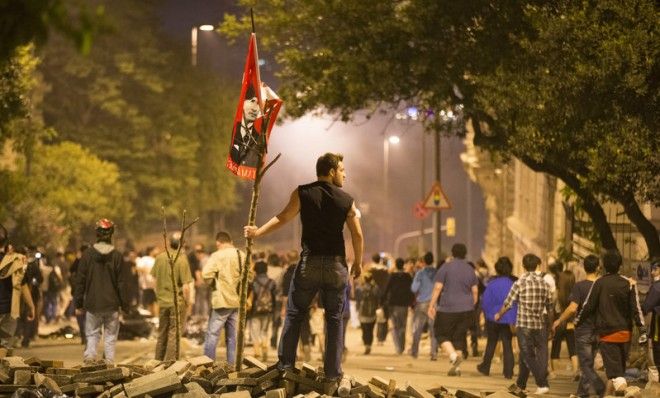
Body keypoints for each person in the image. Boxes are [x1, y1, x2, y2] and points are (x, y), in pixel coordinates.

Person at [244, 152, 363, 387]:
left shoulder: (303, 192)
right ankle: (332, 374)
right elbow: (357, 234)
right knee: (334, 319)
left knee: (295, 314)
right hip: (336, 265)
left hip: (309, 263)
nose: (345, 174)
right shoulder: (347, 200)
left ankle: (285, 366)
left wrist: (257, 232)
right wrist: (357, 262)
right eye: (342, 170)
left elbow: (283, 217)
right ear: (331, 171)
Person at [576, 251, 647, 394]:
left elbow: (588, 306)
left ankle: (630, 392)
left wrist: (578, 321)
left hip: (607, 335)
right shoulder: (629, 283)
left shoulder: (599, 283)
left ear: (603, 266)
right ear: (620, 266)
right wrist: (642, 329)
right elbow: (636, 309)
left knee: (614, 373)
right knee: (619, 369)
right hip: (625, 334)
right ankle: (613, 394)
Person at [495, 254, 553, 396]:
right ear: (537, 265)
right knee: (535, 354)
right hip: (539, 325)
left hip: (524, 325)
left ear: (523, 266)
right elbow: (550, 307)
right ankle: (521, 384)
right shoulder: (544, 283)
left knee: (527, 355)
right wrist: (551, 326)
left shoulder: (520, 283)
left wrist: (499, 314)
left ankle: (542, 383)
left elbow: (508, 303)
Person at [74, 219, 129, 364]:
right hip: (112, 305)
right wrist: (125, 305)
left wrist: (78, 303)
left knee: (92, 334)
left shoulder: (87, 255)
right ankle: (109, 362)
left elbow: (80, 281)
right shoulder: (117, 256)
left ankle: (90, 357)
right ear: (111, 234)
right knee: (110, 336)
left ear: (97, 233)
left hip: (92, 303)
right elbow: (122, 283)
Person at [552, 254, 605, 398]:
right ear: (598, 268)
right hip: (598, 330)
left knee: (585, 365)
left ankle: (600, 387)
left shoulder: (579, 286)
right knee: (588, 362)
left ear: (584, 268)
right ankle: (582, 393)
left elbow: (572, 308)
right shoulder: (602, 285)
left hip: (583, 330)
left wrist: (559, 320)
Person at [427, 243, 478, 376]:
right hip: (467, 309)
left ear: (452, 253)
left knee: (441, 334)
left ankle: (454, 357)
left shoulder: (446, 267)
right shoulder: (470, 269)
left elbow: (438, 287)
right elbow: (475, 291)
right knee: (459, 337)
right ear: (465, 253)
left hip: (448, 308)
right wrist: (471, 304)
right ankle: (456, 368)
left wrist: (431, 305)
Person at [202, 231, 245, 365]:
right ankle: (232, 366)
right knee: (233, 338)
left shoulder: (217, 255)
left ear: (218, 243)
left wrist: (215, 284)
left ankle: (207, 364)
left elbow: (206, 274)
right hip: (236, 301)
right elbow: (249, 276)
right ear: (230, 241)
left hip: (221, 301)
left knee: (213, 335)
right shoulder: (241, 254)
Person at [151, 232, 192, 361]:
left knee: (162, 332)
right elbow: (186, 286)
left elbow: (153, 280)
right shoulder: (181, 259)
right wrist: (187, 301)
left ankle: (157, 361)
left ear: (169, 243)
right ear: (182, 244)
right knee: (174, 333)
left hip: (162, 302)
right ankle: (169, 363)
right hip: (176, 302)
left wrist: (159, 295)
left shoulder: (160, 257)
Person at [477, 256, 517, 379]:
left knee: (492, 342)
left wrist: (488, 315)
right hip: (508, 318)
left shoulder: (491, 283)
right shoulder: (513, 283)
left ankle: (485, 367)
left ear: (497, 269)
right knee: (507, 343)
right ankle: (508, 371)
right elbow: (516, 302)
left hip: (493, 317)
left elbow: (485, 302)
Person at [0, 239, 36, 348]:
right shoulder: (15, 262)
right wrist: (31, 307)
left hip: (7, 309)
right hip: (8, 309)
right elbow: (23, 286)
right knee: (4, 344)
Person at [549, 262, 578, 379]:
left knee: (555, 347)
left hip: (559, 323)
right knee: (573, 348)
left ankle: (554, 373)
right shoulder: (576, 293)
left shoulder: (557, 293)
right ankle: (576, 371)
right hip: (571, 323)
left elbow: (553, 308)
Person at [410, 252, 438, 360]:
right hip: (434, 303)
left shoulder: (420, 273)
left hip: (422, 303)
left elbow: (414, 288)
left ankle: (415, 352)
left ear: (424, 261)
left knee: (418, 328)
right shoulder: (437, 273)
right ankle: (433, 353)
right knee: (433, 330)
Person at [383, 257, 414, 355]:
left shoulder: (392, 276)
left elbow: (386, 289)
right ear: (403, 265)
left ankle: (398, 347)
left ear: (396, 265)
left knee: (395, 326)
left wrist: (382, 301)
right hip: (404, 304)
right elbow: (411, 290)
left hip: (393, 304)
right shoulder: (408, 276)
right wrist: (411, 302)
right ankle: (402, 346)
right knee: (402, 326)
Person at [230, 85, 262, 168]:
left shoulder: (258, 139)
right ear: (243, 102)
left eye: (259, 104)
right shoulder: (231, 130)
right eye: (252, 101)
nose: (255, 109)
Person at [251, 260, 277, 362]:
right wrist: (273, 309)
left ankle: (257, 352)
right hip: (268, 310)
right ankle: (265, 349)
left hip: (255, 310)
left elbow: (251, 297)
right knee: (264, 331)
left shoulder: (253, 282)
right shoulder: (272, 282)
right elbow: (274, 297)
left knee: (255, 330)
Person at [355, 271, 379, 355]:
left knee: (364, 330)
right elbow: (377, 299)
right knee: (370, 330)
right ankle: (369, 345)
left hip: (362, 312)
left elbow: (357, 300)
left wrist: (357, 309)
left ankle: (366, 345)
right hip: (372, 312)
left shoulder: (359, 288)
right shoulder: (375, 288)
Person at [642, 259, 660, 369]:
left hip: (658, 322)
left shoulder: (657, 287)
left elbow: (646, 306)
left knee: (658, 350)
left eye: (655, 269)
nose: (652, 272)